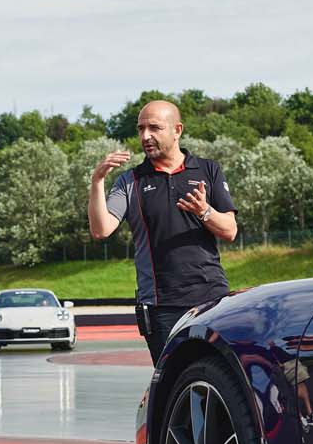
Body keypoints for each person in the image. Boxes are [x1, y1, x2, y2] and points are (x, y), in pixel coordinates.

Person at [87, 100, 238, 364]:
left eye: (154, 128)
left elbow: (230, 230)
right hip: (160, 307)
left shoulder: (207, 170)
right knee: (173, 381)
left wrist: (204, 211)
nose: (145, 136)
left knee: (219, 375)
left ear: (177, 130)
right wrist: (97, 181)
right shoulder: (130, 180)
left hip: (212, 297)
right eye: (141, 129)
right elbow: (101, 229)